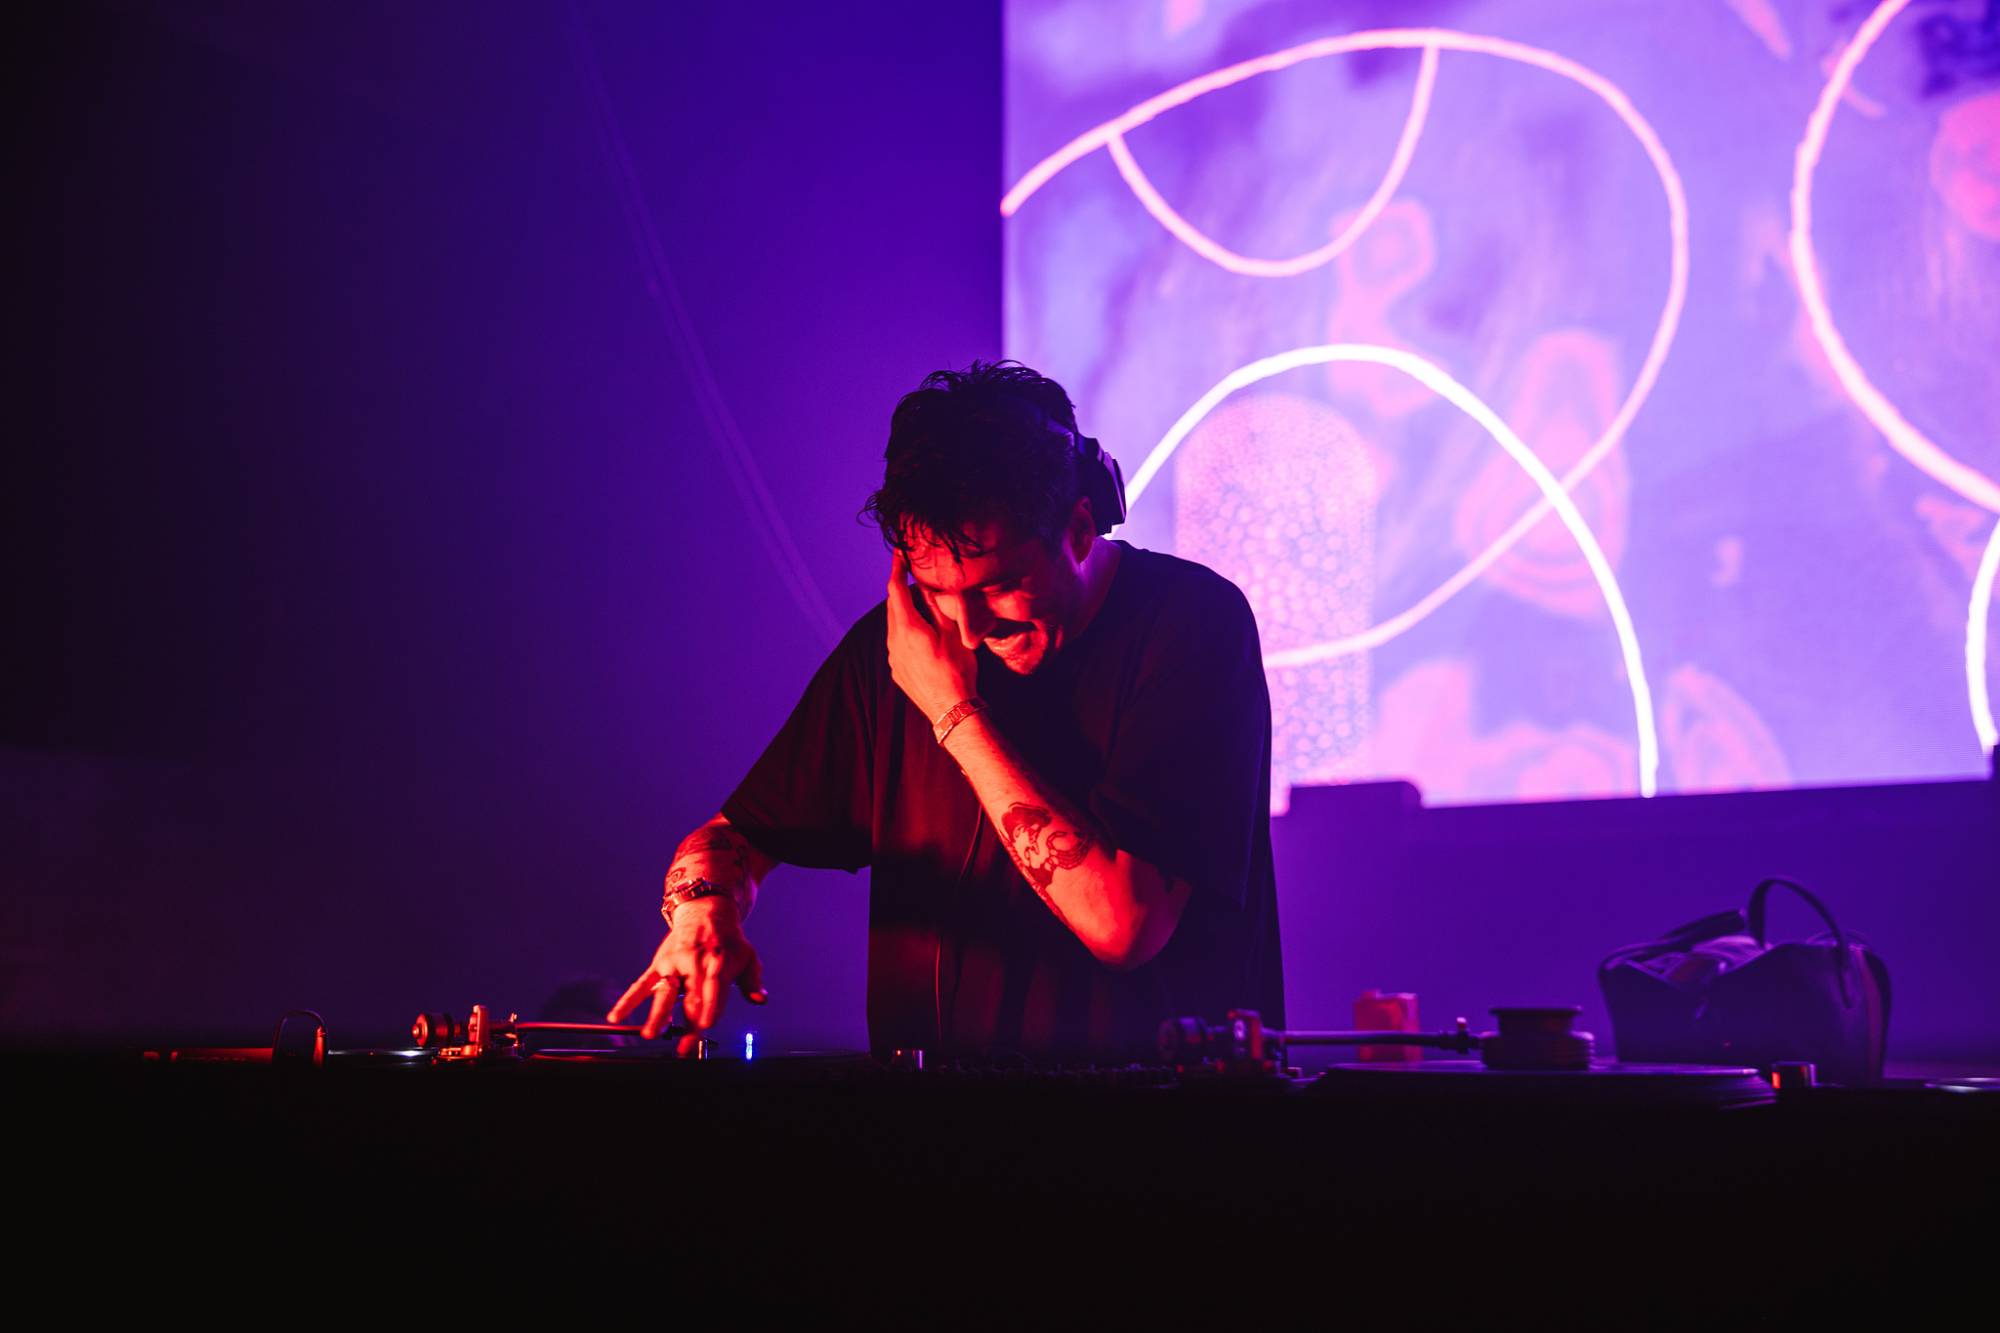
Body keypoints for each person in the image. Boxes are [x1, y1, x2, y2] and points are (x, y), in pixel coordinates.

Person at [608, 361, 1282, 1061]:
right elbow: (734, 836)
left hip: (1157, 1114)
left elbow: (1126, 925)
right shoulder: (899, 645)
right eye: (935, 589)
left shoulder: (1190, 623)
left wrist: (953, 710)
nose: (966, 628)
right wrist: (704, 905)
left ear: (1081, 529)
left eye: (1000, 585)